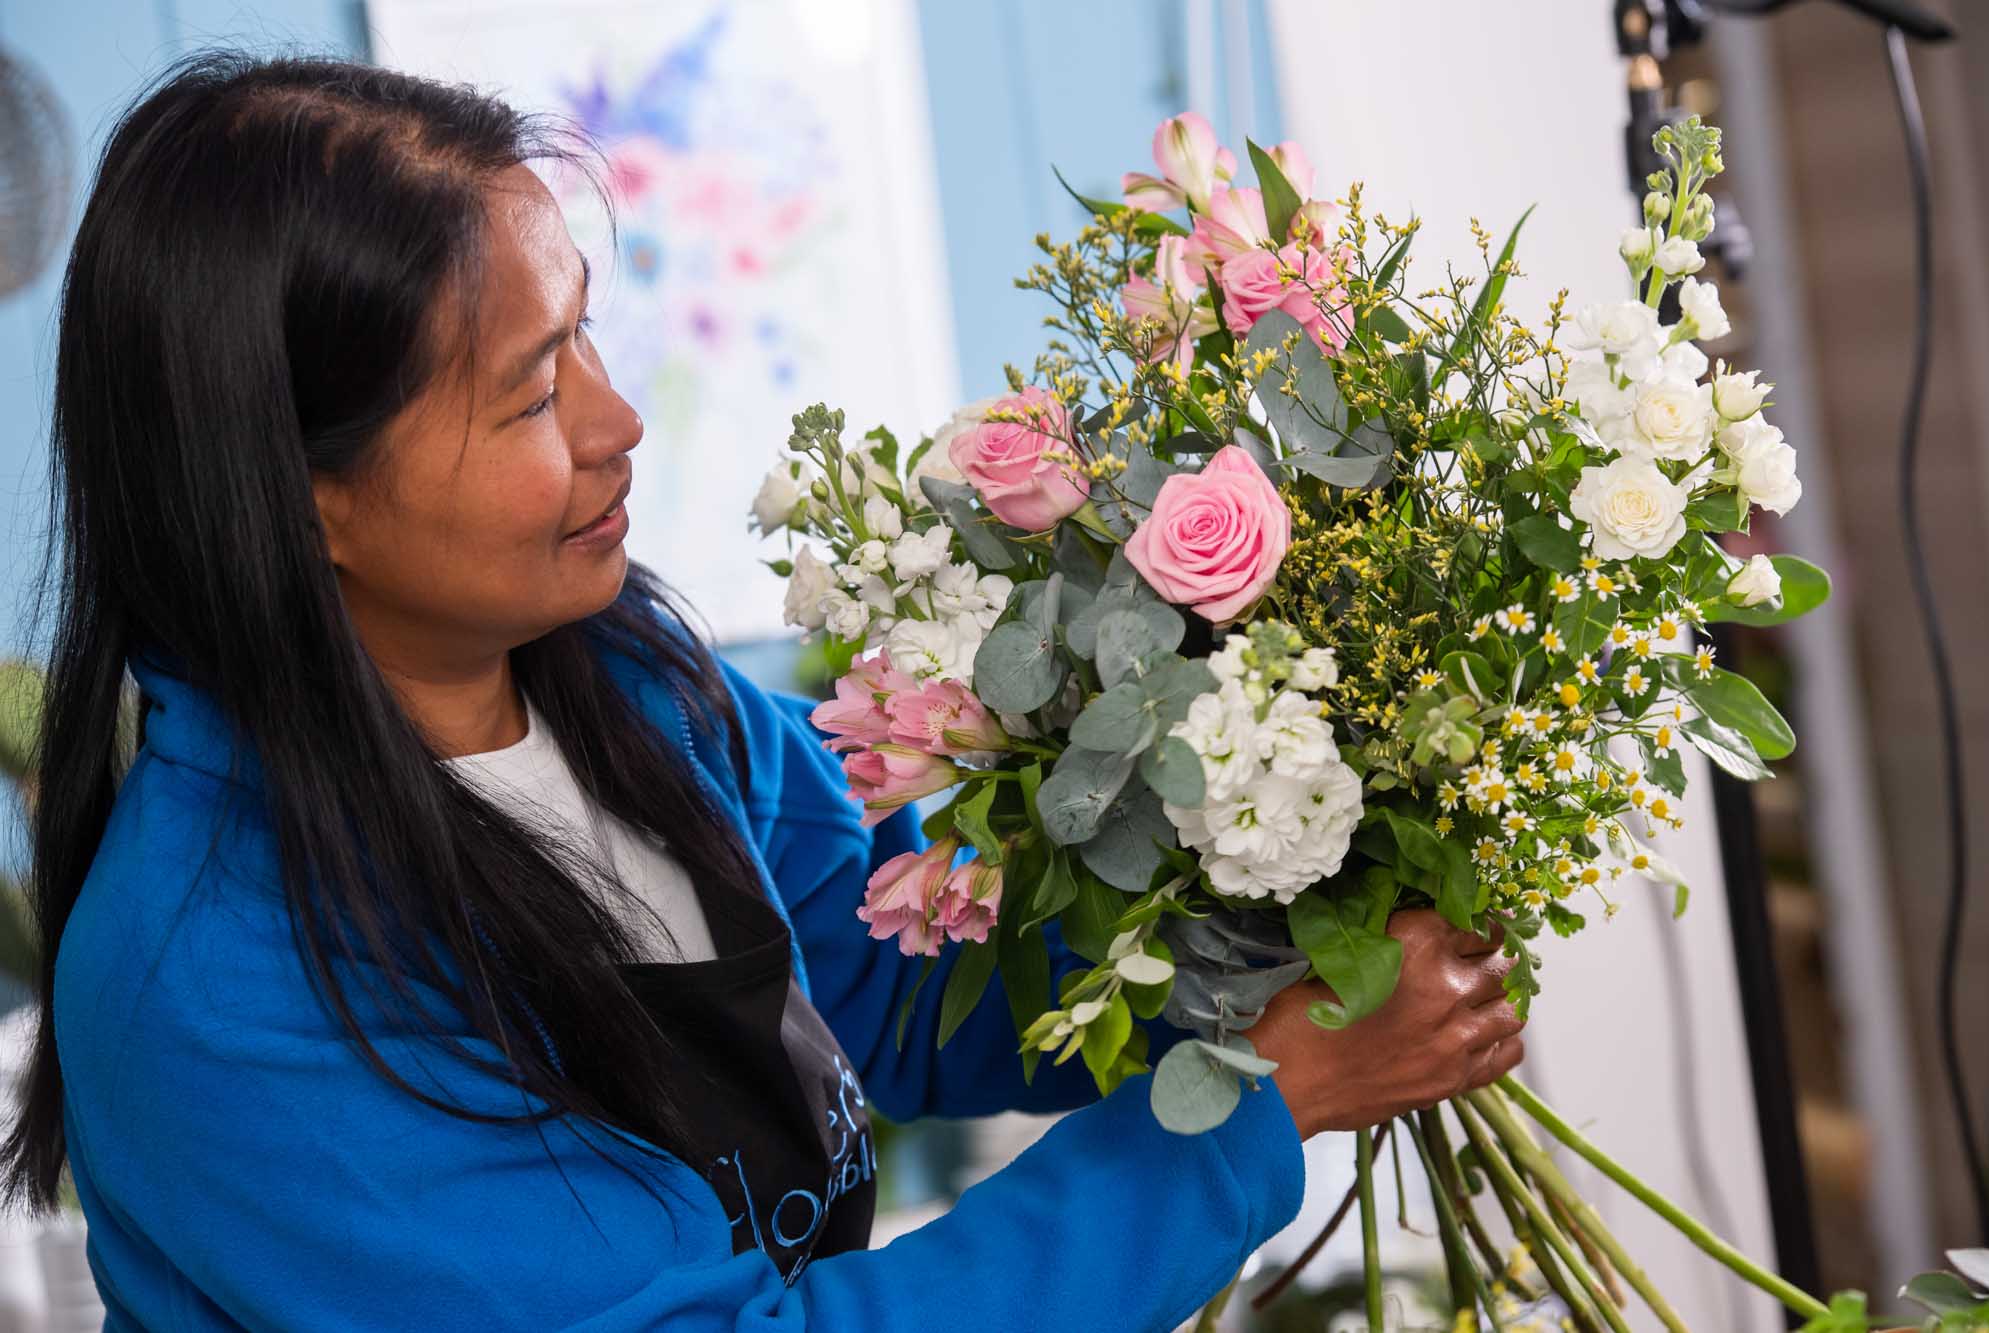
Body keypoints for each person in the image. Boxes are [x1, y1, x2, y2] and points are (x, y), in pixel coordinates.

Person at [3, 51, 1527, 1331]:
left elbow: (890, 975)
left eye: (585, 330)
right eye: (533, 392)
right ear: (299, 492)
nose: (616, 422)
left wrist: (1271, 905)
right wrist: (1242, 1122)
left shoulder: (629, 678)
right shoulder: (209, 981)